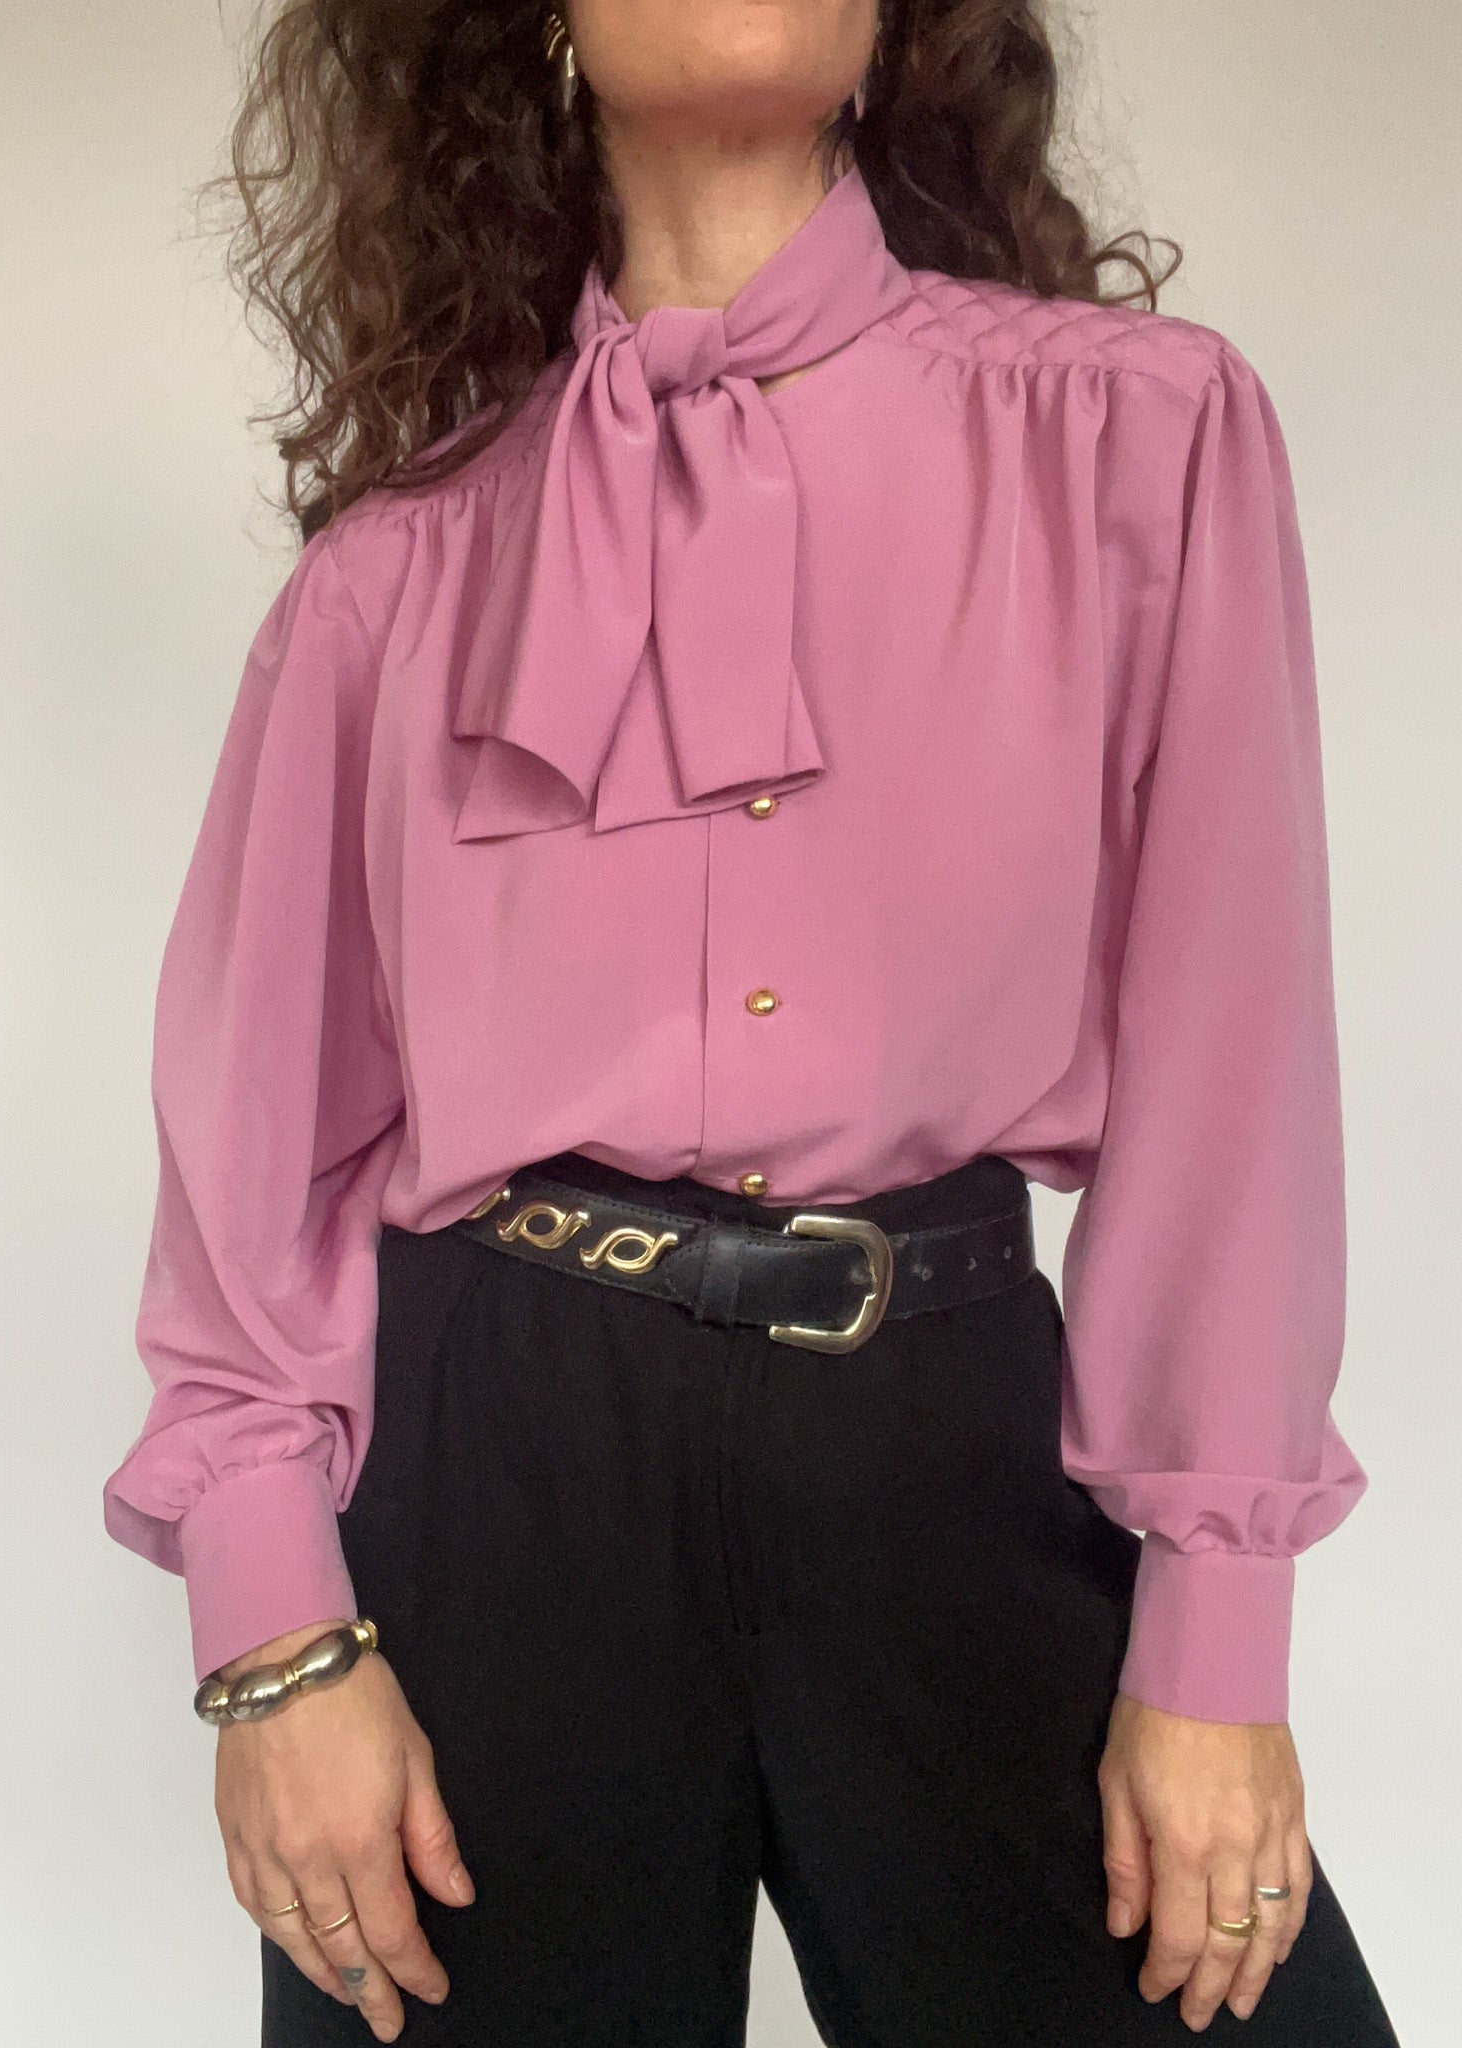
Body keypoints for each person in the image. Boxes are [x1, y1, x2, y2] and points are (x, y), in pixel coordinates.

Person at [103, 3, 1403, 2043]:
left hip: (954, 1419)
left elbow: (1236, 1059)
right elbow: (250, 1152)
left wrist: (1220, 1633)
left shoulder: (1137, 438)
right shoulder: (397, 575)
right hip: (502, 1457)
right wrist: (278, 1647)